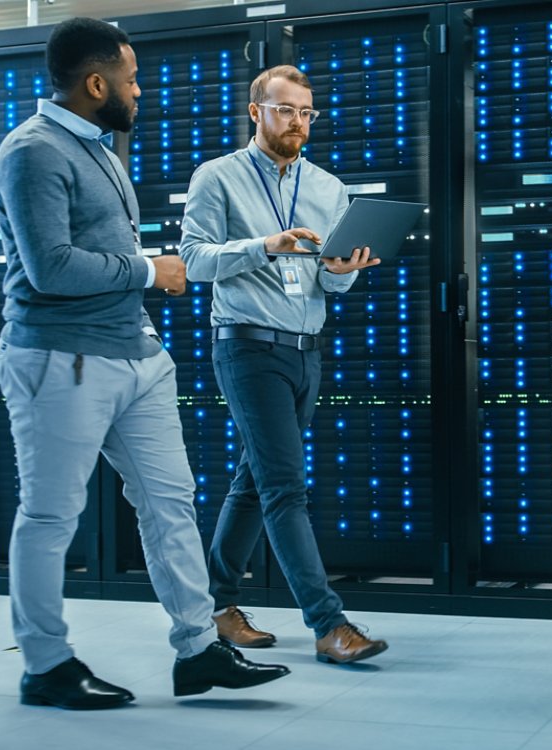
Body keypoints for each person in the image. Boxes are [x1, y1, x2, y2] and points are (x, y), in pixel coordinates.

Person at [0, 17, 289, 709]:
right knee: (49, 516)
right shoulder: (32, 152)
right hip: (59, 359)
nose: (140, 90)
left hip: (134, 356)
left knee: (170, 503)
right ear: (96, 84)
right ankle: (45, 665)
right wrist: (152, 271)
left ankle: (198, 650)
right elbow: (52, 268)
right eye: (129, 79)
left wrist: (147, 312)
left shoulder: (99, 147)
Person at [179, 65, 388, 664]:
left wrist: (340, 273)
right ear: (256, 112)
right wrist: (263, 246)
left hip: (307, 351)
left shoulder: (327, 186)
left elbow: (325, 277)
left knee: (256, 479)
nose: (298, 122)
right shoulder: (216, 177)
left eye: (306, 113)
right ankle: (328, 625)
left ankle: (216, 605)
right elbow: (193, 261)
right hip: (246, 346)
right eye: (286, 110)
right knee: (284, 488)